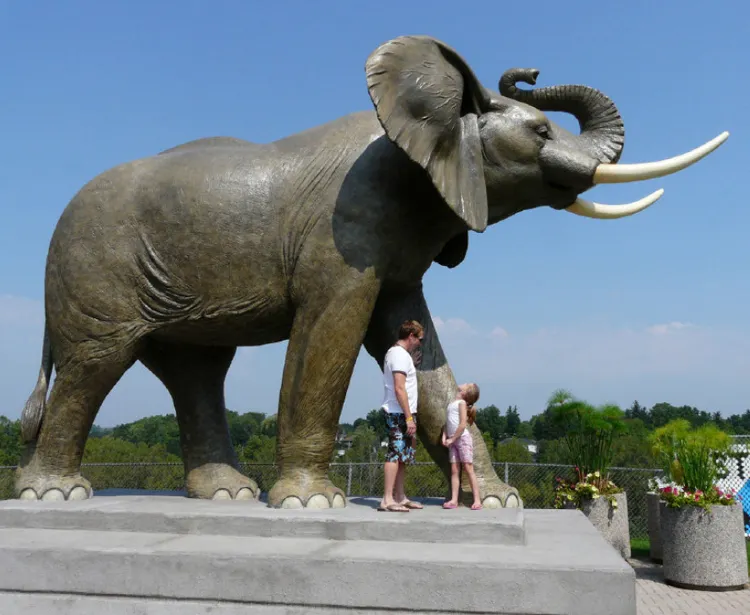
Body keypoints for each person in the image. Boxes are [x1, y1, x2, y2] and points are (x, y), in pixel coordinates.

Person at [377, 320, 424, 513]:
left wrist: (411, 363)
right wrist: (408, 418)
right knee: (395, 454)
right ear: (411, 336)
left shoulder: (400, 355)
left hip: (403, 412)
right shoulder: (398, 355)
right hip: (398, 413)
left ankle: (400, 496)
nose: (421, 342)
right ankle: (387, 499)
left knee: (404, 456)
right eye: (420, 339)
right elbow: (399, 388)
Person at [441, 383, 482, 510]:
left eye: (467, 385)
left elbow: (463, 424)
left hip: (462, 439)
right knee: (454, 470)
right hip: (453, 441)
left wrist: (452, 439)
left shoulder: (462, 404)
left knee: (468, 468)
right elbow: (448, 423)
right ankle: (454, 500)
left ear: (465, 393)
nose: (463, 384)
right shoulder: (452, 403)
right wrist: (444, 436)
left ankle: (477, 500)